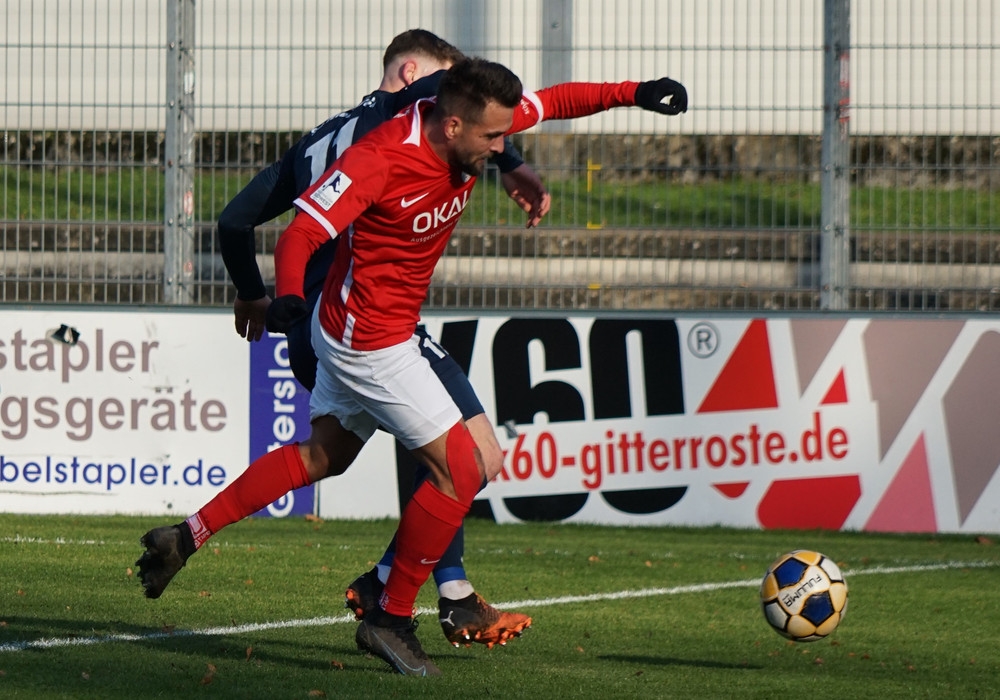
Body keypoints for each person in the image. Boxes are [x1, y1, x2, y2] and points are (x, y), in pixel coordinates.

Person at [262, 58, 688, 675]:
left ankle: (391, 584)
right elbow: (285, 228)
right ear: (432, 96)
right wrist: (279, 295)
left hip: (392, 329)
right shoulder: (381, 145)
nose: (501, 144)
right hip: (364, 332)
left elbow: (555, 102)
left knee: (444, 461)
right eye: (493, 137)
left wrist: (636, 92)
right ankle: (409, 605)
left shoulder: (467, 128)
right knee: (464, 463)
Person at [136, 30, 544, 649]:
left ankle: (191, 535)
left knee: (328, 454)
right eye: (445, 76)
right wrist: (513, 165)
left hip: (313, 327)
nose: (449, 90)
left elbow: (234, 219)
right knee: (470, 459)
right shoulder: (402, 124)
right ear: (413, 74)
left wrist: (253, 294)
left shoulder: (317, 141)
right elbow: (300, 233)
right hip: (369, 323)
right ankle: (429, 596)